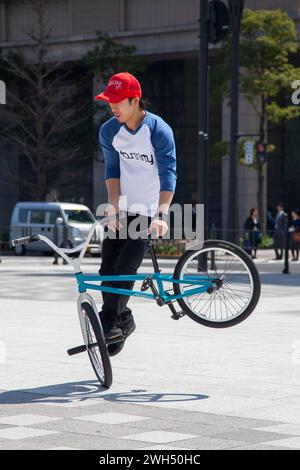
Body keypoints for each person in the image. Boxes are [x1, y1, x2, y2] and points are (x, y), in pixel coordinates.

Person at [95, 72, 177, 356]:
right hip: (124, 208)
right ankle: (122, 319)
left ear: (135, 100)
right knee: (107, 269)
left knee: (126, 267)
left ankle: (109, 320)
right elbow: (112, 170)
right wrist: (113, 207)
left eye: (118, 102)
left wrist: (161, 213)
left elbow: (169, 172)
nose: (113, 107)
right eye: (110, 102)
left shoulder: (158, 130)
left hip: (149, 211)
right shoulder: (109, 131)